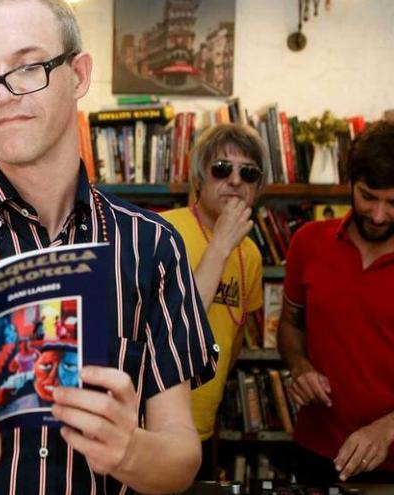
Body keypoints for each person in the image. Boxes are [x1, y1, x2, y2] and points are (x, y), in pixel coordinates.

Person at [0, 1, 217, 493]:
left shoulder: (152, 244)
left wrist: (130, 450)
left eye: (28, 67)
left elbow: (181, 456)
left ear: (78, 74)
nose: (3, 95)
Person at [278, 121, 394, 484]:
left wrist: (389, 428)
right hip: (316, 451)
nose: (378, 215)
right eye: (367, 196)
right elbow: (290, 324)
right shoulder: (308, 242)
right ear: (350, 183)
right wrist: (299, 366)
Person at [159, 124, 265, 477]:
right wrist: (220, 246)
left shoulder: (250, 254)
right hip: (149, 424)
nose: (235, 180)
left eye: (248, 173)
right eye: (222, 168)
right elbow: (175, 324)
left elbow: (235, 339)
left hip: (203, 424)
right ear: (199, 179)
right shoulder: (160, 231)